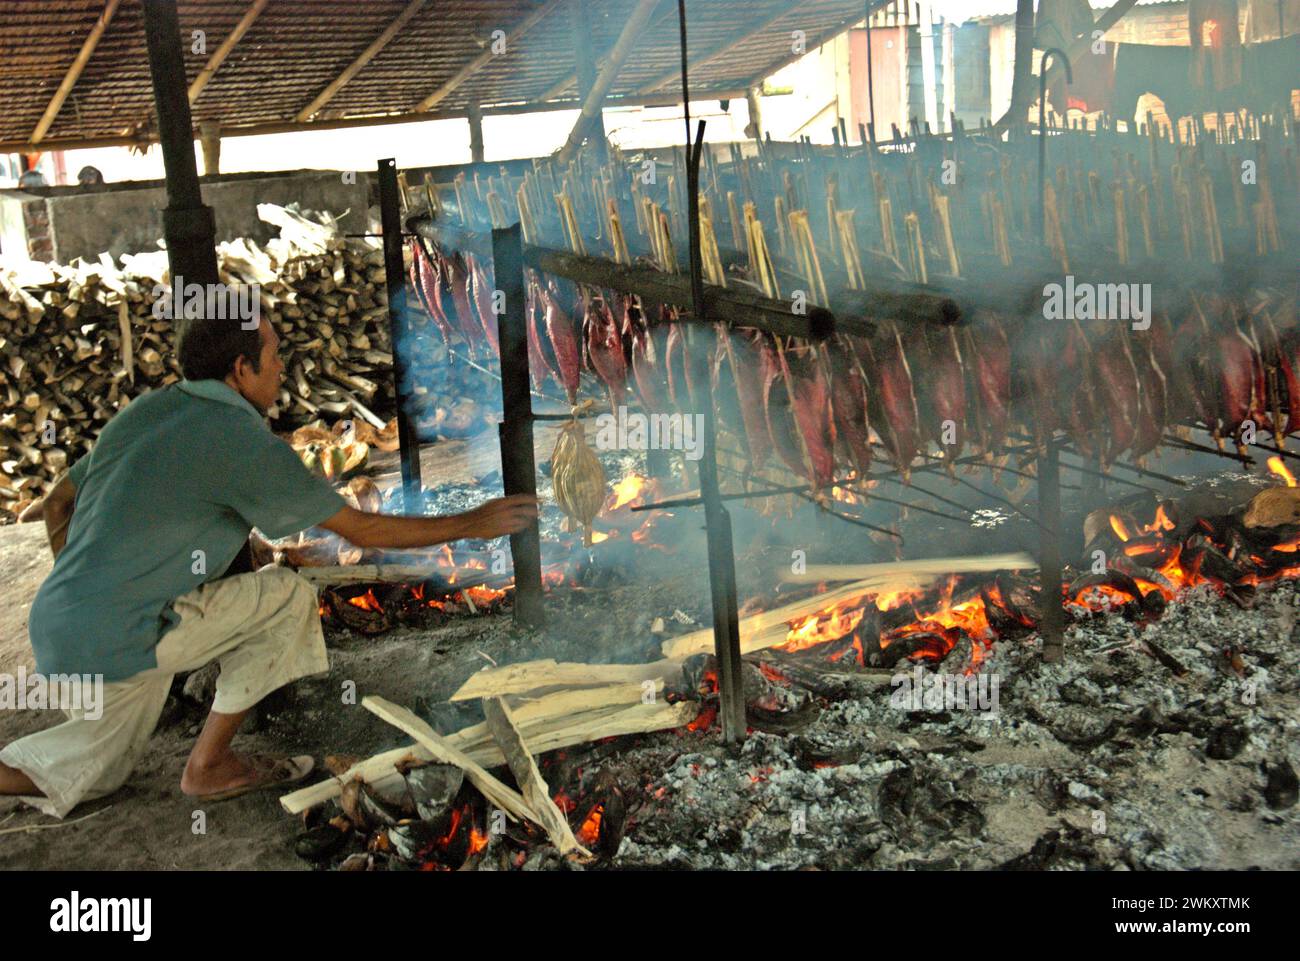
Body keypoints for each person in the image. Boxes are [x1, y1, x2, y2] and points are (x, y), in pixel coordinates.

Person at [0, 314, 537, 817]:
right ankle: (208, 764)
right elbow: (362, 529)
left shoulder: (145, 411)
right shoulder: (242, 443)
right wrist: (474, 521)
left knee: (96, 774)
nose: (282, 367)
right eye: (274, 354)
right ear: (241, 369)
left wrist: (85, 587)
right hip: (122, 632)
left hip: (58, 624)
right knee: (287, 595)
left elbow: (54, 503)